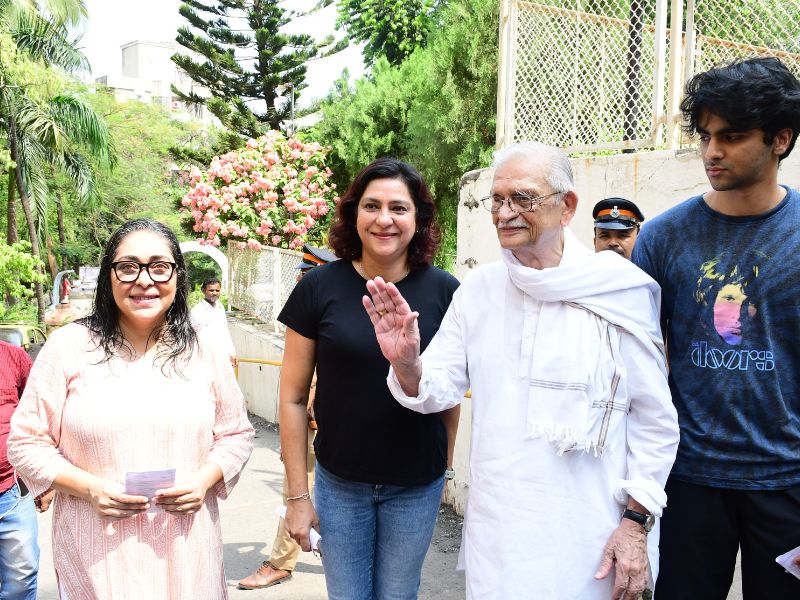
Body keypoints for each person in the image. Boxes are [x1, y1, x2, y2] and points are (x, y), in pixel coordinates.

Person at [363, 142, 679, 599]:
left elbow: (655, 422)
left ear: (566, 206)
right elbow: (435, 390)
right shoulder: (480, 289)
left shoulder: (619, 291)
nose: (505, 213)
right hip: (501, 536)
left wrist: (635, 523)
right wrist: (407, 362)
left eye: (523, 198)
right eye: (497, 200)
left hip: (593, 536)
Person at [8, 218, 254, 600]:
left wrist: (205, 480)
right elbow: (26, 441)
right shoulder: (68, 347)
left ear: (178, 275)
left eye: (159, 266)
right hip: (96, 552)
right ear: (109, 276)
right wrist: (91, 489)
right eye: (128, 267)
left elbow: (236, 433)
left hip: (187, 551)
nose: (144, 280)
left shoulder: (204, 350)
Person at [632, 56, 800, 599]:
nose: (712, 152)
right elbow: (634, 364)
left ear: (780, 139)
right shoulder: (662, 238)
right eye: (705, 136)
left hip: (788, 482)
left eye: (732, 136)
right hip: (688, 478)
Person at [280, 157, 461, 600]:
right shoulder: (318, 287)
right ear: (353, 213)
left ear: (418, 218)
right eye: (371, 206)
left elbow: (450, 395)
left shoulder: (446, 292)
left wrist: (446, 469)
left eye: (399, 208)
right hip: (340, 485)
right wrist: (297, 497)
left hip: (416, 486)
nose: (384, 219)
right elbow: (293, 399)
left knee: (399, 595)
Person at [238, 244, 337, 590]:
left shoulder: (330, 305)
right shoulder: (313, 307)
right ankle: (291, 559)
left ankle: (282, 562)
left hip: (320, 420)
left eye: (305, 274)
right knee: (300, 491)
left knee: (299, 493)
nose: (299, 280)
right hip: (310, 419)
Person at [0, 340, 38, 599]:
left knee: (22, 576)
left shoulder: (14, 357)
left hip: (10, 490)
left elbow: (38, 417)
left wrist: (43, 481)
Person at [191, 277, 238, 367]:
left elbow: (225, 332)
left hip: (222, 358)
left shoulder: (220, 307)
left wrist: (232, 353)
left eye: (217, 290)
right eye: (211, 290)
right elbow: (193, 339)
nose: (215, 293)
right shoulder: (196, 311)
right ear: (203, 291)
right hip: (204, 361)